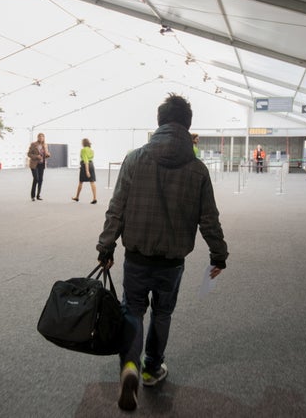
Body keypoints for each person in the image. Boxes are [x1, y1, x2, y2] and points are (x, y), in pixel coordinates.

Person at [96, 93, 229, 412]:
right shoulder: (198, 170)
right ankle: (152, 368)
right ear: (187, 125)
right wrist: (218, 255)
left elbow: (117, 208)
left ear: (159, 122)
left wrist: (106, 246)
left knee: (132, 309)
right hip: (172, 262)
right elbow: (208, 218)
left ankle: (129, 365)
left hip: (137, 257)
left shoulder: (134, 158)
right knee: (163, 312)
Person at [72, 138, 97, 204]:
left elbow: (86, 160)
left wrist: (87, 170)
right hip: (91, 165)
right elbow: (89, 159)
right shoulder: (91, 150)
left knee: (81, 182)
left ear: (84, 143)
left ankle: (77, 197)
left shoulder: (83, 150)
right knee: (92, 182)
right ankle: (94, 198)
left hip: (86, 166)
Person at [27, 133, 51, 201]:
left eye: (42, 137)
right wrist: (36, 156)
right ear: (37, 137)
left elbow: (46, 154)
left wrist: (48, 154)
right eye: (40, 137)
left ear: (44, 138)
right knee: (36, 179)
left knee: (40, 180)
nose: (41, 138)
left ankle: (38, 195)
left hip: (41, 164)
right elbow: (29, 154)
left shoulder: (45, 145)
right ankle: (32, 196)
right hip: (34, 164)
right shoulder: (33, 144)